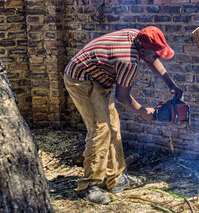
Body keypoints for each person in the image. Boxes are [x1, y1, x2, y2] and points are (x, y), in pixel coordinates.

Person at [64, 26, 183, 204]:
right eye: (156, 54)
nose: (157, 57)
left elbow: (151, 59)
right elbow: (122, 97)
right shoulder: (129, 61)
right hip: (82, 79)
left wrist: (171, 85)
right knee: (101, 129)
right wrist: (143, 112)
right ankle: (88, 187)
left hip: (98, 78)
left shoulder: (138, 36)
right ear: (142, 50)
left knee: (113, 127)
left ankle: (116, 178)